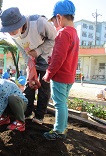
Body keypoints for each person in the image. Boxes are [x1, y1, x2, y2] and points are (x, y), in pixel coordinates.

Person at [0, 7, 57, 124]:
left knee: (43, 88)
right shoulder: (13, 34)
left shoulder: (39, 23)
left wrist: (38, 51)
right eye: (8, 30)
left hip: (47, 56)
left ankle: (39, 116)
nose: (11, 33)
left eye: (12, 29)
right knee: (29, 85)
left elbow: (54, 39)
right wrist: (30, 64)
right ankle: (26, 112)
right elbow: (22, 49)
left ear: (20, 23)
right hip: (31, 57)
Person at [42, 0, 79, 140]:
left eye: (54, 21)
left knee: (59, 104)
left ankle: (58, 131)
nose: (54, 24)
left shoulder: (63, 33)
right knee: (63, 102)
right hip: (69, 76)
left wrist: (48, 73)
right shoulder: (74, 33)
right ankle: (62, 127)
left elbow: (58, 57)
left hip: (60, 76)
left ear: (59, 17)